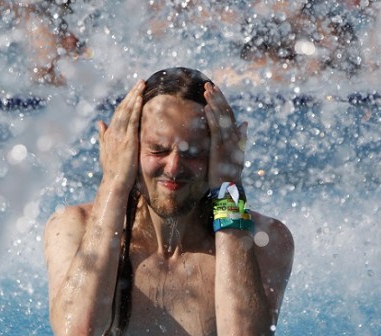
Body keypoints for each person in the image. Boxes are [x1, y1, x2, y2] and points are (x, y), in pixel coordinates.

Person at [43, 67, 294, 335]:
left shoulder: (263, 241)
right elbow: (78, 331)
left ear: (219, 154)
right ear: (128, 147)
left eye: (194, 152)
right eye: (158, 150)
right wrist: (114, 182)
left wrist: (228, 185)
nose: (174, 167)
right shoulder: (74, 228)